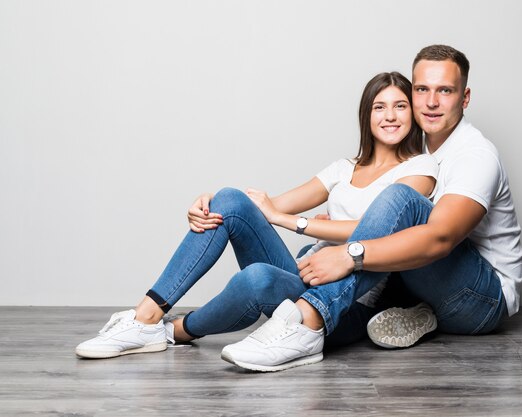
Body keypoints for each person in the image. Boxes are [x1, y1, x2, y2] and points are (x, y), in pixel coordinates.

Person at [75, 71, 439, 359]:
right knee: (230, 199)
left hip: (347, 304)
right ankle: (146, 316)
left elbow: (376, 230)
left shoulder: (421, 168)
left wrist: (295, 223)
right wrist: (209, 205)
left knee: (257, 280)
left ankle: (173, 332)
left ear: (412, 113)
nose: (390, 116)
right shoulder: (344, 168)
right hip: (306, 274)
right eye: (380, 106)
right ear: (367, 114)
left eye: (400, 106)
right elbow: (268, 208)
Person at [222, 44, 522, 372]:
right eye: (422, 89)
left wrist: (349, 253)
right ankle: (417, 313)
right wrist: (219, 207)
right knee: (317, 250)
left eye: (445, 91)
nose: (432, 102)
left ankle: (307, 321)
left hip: (479, 299)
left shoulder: (475, 155)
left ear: (464, 99)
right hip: (414, 281)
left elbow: (440, 238)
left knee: (398, 202)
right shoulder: (416, 144)